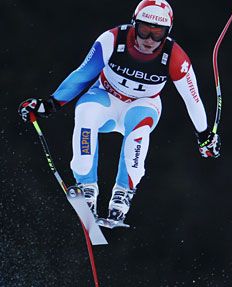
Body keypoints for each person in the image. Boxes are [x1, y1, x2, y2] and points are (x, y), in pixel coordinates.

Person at [18, 0, 220, 225]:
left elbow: (192, 100)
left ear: (167, 32)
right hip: (106, 97)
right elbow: (83, 74)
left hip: (142, 105)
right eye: (144, 31)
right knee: (86, 111)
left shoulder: (175, 57)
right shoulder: (112, 39)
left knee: (139, 129)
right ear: (134, 24)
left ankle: (122, 197)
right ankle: (87, 188)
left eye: (157, 33)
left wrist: (204, 136)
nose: (149, 40)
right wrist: (51, 103)